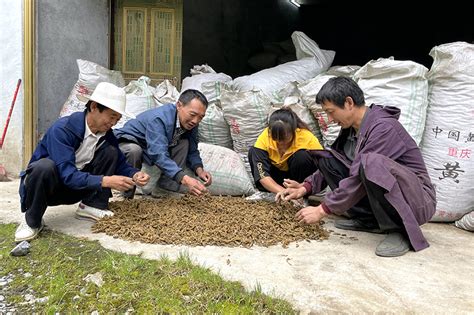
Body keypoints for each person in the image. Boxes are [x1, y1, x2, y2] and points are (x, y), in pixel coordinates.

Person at [276, 76, 436, 257]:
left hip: (417, 200)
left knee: (370, 163)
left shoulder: (384, 128)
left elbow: (358, 176)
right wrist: (305, 188)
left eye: (331, 111)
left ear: (349, 103)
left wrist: (323, 209)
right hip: (393, 194)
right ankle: (370, 220)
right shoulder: (351, 129)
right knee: (327, 158)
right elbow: (336, 162)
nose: (329, 119)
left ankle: (399, 230)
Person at [15, 82, 150, 242]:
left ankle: (92, 205)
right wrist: (105, 181)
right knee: (43, 167)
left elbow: (120, 163)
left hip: (77, 187)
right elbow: (67, 174)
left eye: (118, 119)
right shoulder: (62, 130)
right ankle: (32, 220)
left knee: (111, 151)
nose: (113, 123)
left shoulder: (106, 134)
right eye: (112, 116)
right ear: (93, 107)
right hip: (50, 188)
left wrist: (134, 174)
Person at [114, 89, 212, 197]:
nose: (195, 120)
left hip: (149, 146)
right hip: (128, 143)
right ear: (179, 105)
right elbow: (158, 154)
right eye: (193, 114)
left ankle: (165, 189)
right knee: (133, 150)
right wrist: (185, 179)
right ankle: (126, 196)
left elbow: (192, 149)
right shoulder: (159, 119)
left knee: (184, 144)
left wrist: (199, 170)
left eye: (200, 117)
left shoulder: (191, 123)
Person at [248, 108, 322, 194]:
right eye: (276, 139)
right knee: (253, 151)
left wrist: (301, 188)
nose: (280, 143)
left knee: (302, 157)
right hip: (276, 179)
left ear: (294, 131)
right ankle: (269, 193)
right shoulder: (265, 137)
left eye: (284, 139)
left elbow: (323, 166)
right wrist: (284, 192)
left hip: (297, 181)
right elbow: (262, 174)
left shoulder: (306, 138)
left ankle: (302, 196)